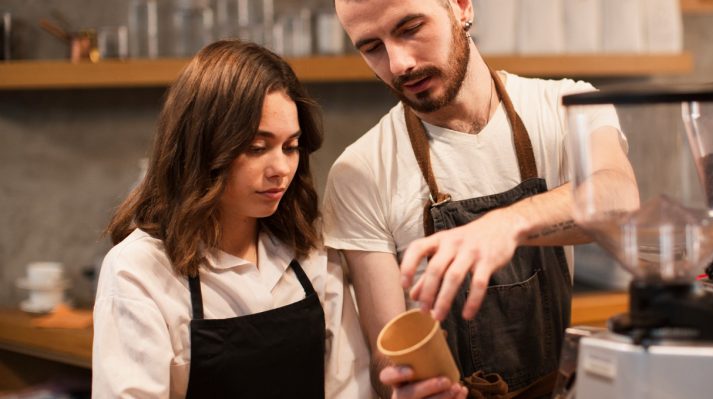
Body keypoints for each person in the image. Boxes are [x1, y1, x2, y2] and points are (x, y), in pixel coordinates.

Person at [322, 0, 638, 398]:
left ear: (461, 7)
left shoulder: (565, 108)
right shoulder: (361, 172)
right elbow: (389, 351)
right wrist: (409, 386)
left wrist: (507, 224)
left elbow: (620, 201)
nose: (399, 63)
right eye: (372, 48)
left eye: (409, 28)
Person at [92, 40, 371, 398]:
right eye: (257, 148)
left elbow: (350, 388)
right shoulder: (139, 270)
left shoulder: (311, 251)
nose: (281, 169)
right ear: (203, 147)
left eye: (291, 146)